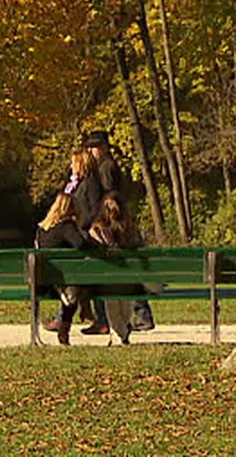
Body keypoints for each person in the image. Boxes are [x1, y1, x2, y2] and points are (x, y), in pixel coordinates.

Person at [83, 131, 156, 332]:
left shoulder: (106, 167)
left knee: (117, 270)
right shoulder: (108, 166)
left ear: (104, 147)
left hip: (111, 223)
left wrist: (101, 217)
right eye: (89, 147)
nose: (91, 150)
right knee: (127, 270)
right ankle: (137, 315)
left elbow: (110, 196)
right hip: (117, 222)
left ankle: (111, 318)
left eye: (94, 146)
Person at [33, 193, 95, 345]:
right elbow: (81, 245)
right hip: (63, 281)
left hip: (43, 283)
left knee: (75, 286)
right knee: (79, 286)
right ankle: (69, 324)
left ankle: (82, 308)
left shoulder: (42, 229)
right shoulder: (66, 226)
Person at [88, 191, 146, 344]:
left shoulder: (97, 229)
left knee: (113, 302)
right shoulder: (130, 228)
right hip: (128, 275)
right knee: (123, 302)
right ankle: (121, 333)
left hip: (107, 276)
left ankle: (120, 333)